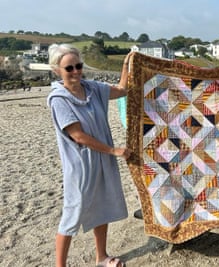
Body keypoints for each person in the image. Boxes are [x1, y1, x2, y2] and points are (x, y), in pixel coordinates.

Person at [47, 43, 131, 267]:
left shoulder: (93, 88)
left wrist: (126, 65)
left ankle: (101, 257)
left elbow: (122, 90)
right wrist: (115, 150)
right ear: (57, 70)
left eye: (78, 66)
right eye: (69, 68)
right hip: (81, 165)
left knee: (102, 206)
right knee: (72, 214)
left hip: (102, 160)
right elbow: (78, 136)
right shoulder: (59, 100)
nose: (75, 71)